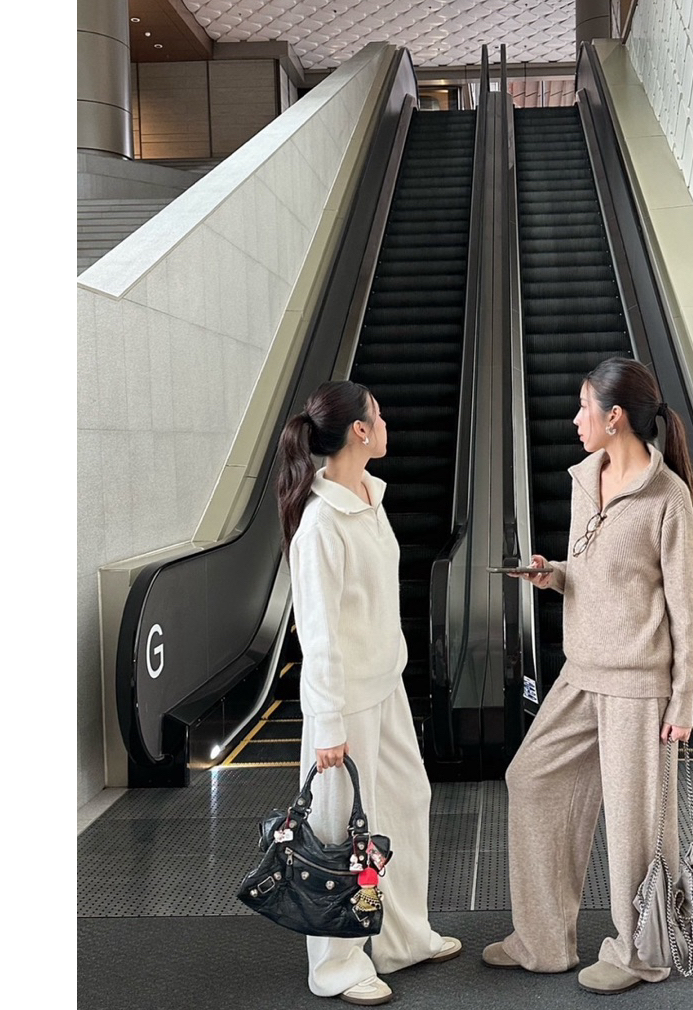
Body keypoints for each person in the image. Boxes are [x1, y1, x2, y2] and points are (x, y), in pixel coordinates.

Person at [483, 357, 693, 995]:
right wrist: (552, 575)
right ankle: (543, 941)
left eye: (584, 407)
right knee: (531, 778)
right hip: (580, 674)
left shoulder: (669, 500)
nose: (575, 419)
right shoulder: (586, 479)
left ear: (615, 417)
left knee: (636, 828)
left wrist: (682, 700)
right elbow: (592, 570)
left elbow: (685, 610)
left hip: (639, 686)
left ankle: (641, 955)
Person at [276, 380, 461, 1007]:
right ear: (359, 430)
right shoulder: (320, 524)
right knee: (338, 833)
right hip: (344, 701)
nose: (385, 424)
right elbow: (319, 633)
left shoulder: (369, 497)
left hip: (386, 685)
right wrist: (327, 724)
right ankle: (337, 966)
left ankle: (402, 937)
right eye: (378, 415)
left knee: (406, 802)